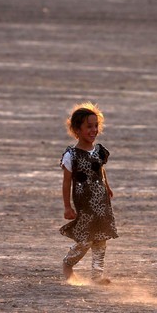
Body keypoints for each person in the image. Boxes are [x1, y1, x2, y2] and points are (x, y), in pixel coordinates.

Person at [59, 102, 118, 285]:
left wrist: (107, 186)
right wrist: (67, 206)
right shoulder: (72, 155)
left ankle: (97, 276)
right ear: (77, 130)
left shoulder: (99, 151)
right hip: (84, 202)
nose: (93, 130)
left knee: (101, 238)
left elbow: (100, 170)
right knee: (85, 239)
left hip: (101, 201)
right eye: (88, 127)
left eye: (96, 126)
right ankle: (68, 263)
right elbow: (67, 182)